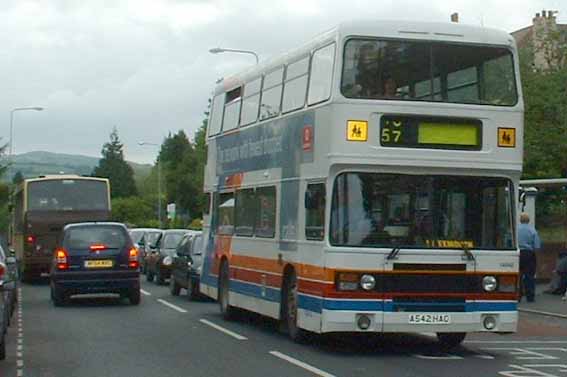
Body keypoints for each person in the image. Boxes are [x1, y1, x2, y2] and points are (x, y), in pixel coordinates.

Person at [518, 213, 541, 302]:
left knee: (518, 275)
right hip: (528, 254)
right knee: (529, 275)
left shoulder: (516, 229)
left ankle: (518, 295)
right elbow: (537, 245)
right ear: (528, 220)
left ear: (520, 220)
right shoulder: (532, 231)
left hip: (518, 253)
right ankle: (530, 296)